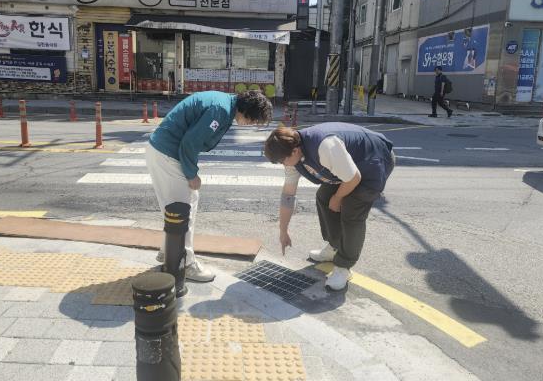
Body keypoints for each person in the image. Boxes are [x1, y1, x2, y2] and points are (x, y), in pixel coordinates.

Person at [146, 90, 273, 282]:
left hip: (162, 151)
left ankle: (169, 252)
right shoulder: (220, 110)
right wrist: (191, 174)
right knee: (184, 209)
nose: (252, 124)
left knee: (175, 208)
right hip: (168, 154)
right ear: (247, 111)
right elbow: (190, 142)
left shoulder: (224, 104)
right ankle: (186, 263)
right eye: (253, 120)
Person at [264, 123, 395, 291]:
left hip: (374, 161)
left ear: (295, 151)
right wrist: (283, 231)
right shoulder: (293, 156)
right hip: (348, 167)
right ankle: (334, 247)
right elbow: (288, 196)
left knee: (352, 211)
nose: (283, 165)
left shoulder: (325, 146)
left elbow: (354, 178)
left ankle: (344, 266)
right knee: (324, 197)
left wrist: (338, 198)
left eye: (282, 161)